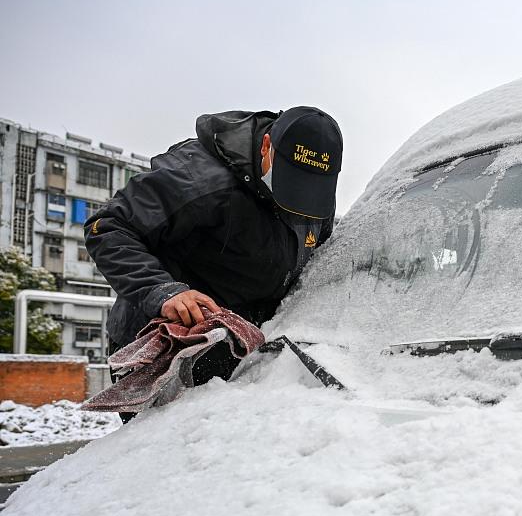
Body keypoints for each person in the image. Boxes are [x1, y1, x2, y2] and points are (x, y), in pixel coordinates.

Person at [85, 107, 343, 417]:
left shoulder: (315, 200)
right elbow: (109, 227)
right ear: (266, 148)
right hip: (171, 346)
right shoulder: (198, 177)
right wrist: (164, 292)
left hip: (248, 347)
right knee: (179, 452)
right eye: (291, 183)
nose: (299, 199)